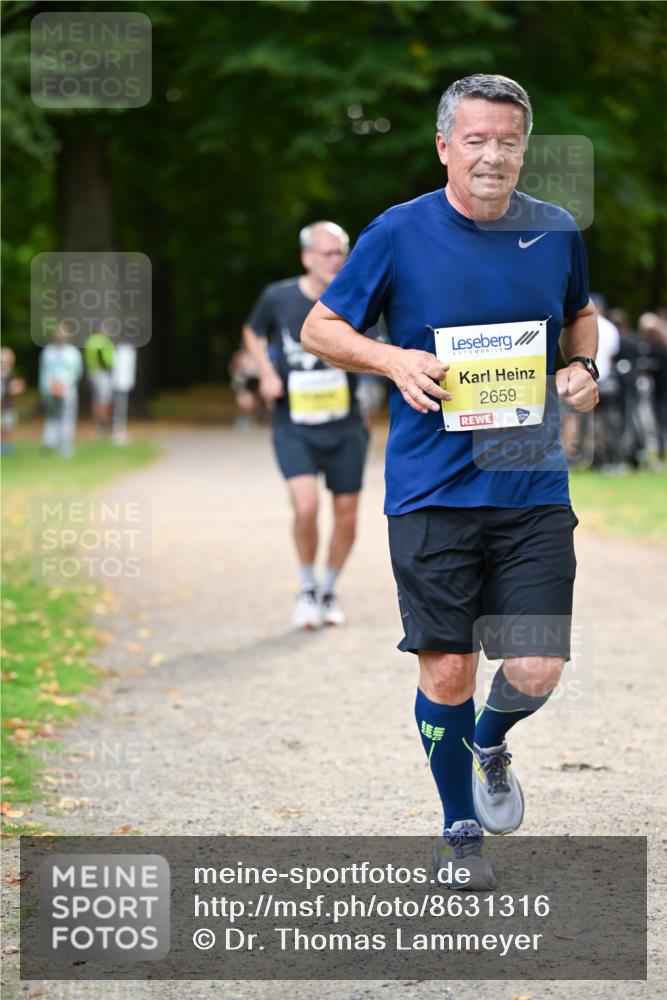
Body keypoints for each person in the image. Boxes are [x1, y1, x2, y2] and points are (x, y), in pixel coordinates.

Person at [302, 74, 599, 887]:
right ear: (444, 146)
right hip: (432, 490)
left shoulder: (555, 229)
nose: (492, 155)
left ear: (523, 147)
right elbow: (320, 325)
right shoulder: (397, 233)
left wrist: (583, 365)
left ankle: (489, 741)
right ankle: (458, 830)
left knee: (535, 666)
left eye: (507, 140)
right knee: (447, 670)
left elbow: (578, 314)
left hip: (531, 484)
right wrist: (392, 357)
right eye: (475, 140)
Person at [243, 221, 373, 629]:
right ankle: (305, 586)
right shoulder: (278, 297)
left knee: (347, 515)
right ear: (306, 258)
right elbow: (251, 331)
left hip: (346, 423)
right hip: (294, 423)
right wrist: (265, 371)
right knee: (306, 506)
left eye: (341, 252)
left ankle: (328, 588)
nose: (336, 260)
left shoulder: (356, 298)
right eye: (326, 253)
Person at [39, 323, 83, 457]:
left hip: (68, 389)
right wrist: (48, 388)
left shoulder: (73, 353)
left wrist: (65, 384)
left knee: (67, 417)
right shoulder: (48, 352)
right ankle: (49, 442)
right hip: (50, 390)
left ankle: (65, 446)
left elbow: (76, 372)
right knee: (53, 416)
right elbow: (44, 372)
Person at [84, 324, 115, 431]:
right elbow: (101, 356)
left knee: (97, 399)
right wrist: (109, 368)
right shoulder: (102, 341)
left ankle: (98, 422)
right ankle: (103, 422)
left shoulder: (91, 340)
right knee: (103, 399)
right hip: (102, 373)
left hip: (93, 372)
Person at [1, 347, 26, 455]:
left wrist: (17, 388)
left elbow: (14, 388)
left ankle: (7, 448)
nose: (4, 365)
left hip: (8, 407)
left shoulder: (11, 375)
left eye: (6, 363)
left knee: (8, 427)